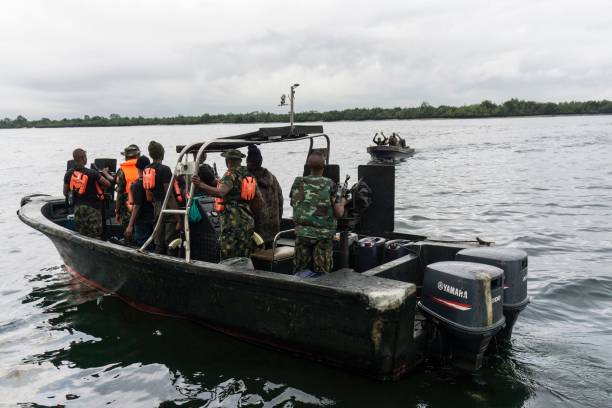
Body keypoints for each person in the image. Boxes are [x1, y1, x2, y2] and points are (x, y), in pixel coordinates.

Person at [192, 149, 256, 260]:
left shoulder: (230, 174)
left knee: (228, 255)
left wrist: (200, 184)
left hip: (232, 222)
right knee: (244, 255)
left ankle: (228, 275)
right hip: (247, 220)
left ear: (227, 161)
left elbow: (221, 192)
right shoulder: (249, 174)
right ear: (240, 160)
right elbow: (257, 198)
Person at [290, 152, 346, 274]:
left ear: (308, 166)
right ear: (324, 167)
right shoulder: (330, 184)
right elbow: (339, 213)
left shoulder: (298, 182)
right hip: (323, 236)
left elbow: (294, 203)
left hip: (302, 234)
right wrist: (344, 202)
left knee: (300, 271)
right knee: (323, 274)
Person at [63, 148, 112, 239]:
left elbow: (65, 192)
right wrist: (105, 174)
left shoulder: (68, 174)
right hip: (93, 209)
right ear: (83, 158)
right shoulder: (92, 173)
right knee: (96, 235)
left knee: (82, 234)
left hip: (78, 209)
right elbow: (108, 184)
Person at [145, 141, 181, 254]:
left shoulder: (147, 169)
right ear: (162, 153)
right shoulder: (164, 169)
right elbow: (169, 195)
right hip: (167, 206)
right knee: (171, 241)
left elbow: (149, 195)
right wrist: (178, 218)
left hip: (156, 206)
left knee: (158, 241)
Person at [246, 144, 283, 244]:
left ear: (248, 162)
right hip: (273, 230)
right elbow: (281, 202)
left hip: (256, 232)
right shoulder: (272, 177)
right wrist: (277, 221)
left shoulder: (246, 180)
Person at [125, 156, 154, 246]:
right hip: (152, 217)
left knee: (142, 244)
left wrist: (130, 225)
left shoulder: (137, 185)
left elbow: (137, 206)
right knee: (151, 243)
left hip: (141, 221)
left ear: (137, 168)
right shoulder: (152, 181)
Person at [115, 144, 141, 233]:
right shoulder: (145, 167)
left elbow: (120, 193)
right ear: (138, 155)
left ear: (126, 157)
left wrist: (117, 211)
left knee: (128, 230)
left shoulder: (122, 170)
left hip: (128, 206)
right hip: (144, 204)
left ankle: (128, 243)